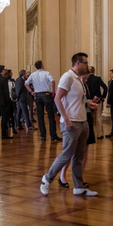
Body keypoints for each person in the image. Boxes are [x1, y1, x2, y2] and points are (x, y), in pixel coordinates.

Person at [39, 52, 97, 197]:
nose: (87, 65)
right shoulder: (68, 77)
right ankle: (47, 178)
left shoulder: (78, 79)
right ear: (78, 63)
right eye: (85, 62)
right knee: (66, 155)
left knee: (78, 157)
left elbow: (75, 99)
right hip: (71, 122)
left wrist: (87, 102)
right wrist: (66, 119)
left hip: (82, 122)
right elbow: (57, 98)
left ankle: (78, 186)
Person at [59, 72, 97, 188]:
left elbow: (84, 101)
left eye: (87, 78)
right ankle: (62, 175)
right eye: (84, 78)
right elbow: (67, 101)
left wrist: (91, 102)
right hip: (74, 120)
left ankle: (79, 177)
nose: (86, 80)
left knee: (84, 151)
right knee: (71, 151)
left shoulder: (84, 85)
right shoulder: (71, 82)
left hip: (86, 118)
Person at [25, 60, 60, 142]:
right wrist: (53, 91)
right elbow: (53, 81)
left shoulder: (33, 74)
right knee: (51, 115)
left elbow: (26, 84)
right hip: (46, 94)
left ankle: (43, 136)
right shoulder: (46, 73)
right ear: (42, 66)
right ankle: (53, 135)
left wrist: (31, 92)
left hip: (37, 95)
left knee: (40, 117)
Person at [5, 69, 19, 134]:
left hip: (6, 100)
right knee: (12, 115)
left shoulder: (4, 83)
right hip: (12, 100)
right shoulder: (12, 82)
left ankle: (7, 127)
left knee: (6, 115)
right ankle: (13, 128)